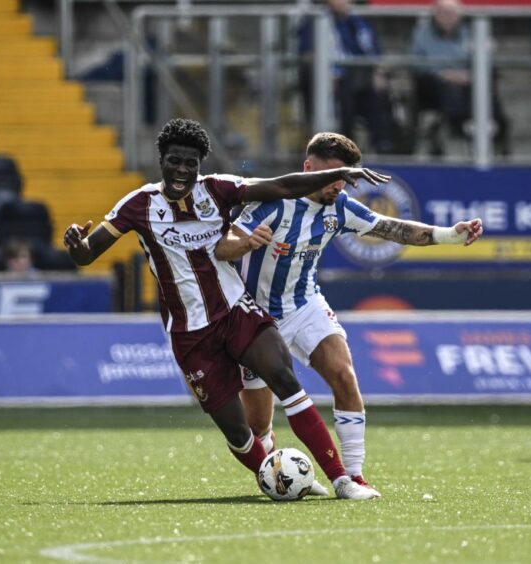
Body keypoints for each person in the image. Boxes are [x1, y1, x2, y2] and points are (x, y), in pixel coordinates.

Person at [63, 118, 390, 499]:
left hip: (237, 311)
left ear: (200, 164)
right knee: (239, 432)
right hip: (190, 332)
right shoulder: (137, 205)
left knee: (285, 380)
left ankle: (341, 479)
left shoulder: (217, 190)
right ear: (161, 161)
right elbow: (89, 253)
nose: (182, 170)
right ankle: (281, 477)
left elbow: (282, 186)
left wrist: (338, 173)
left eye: (190, 163)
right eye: (174, 161)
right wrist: (76, 247)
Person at [214, 131, 483, 493]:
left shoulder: (339, 207)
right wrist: (245, 242)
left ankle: (352, 477)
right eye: (332, 175)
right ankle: (282, 472)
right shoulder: (273, 202)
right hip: (257, 317)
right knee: (258, 422)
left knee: (344, 374)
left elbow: (394, 229)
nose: (339, 185)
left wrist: (451, 235)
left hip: (305, 304)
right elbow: (221, 246)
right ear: (308, 168)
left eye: (345, 177)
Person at [409, 0, 511, 156]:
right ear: (435, 15)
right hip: (434, 83)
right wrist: (443, 74)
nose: (447, 17)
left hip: (466, 80)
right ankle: (458, 126)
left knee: (483, 84)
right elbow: (416, 64)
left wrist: (470, 75)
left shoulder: (469, 34)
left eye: (451, 12)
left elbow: (483, 60)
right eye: (442, 12)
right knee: (450, 88)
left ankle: (495, 125)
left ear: (460, 15)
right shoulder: (422, 35)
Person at [297, 0, 398, 154]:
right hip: (334, 80)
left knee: (380, 94)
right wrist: (328, 74)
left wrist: (378, 71)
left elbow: (375, 53)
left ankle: (385, 147)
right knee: (347, 92)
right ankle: (345, 148)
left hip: (362, 78)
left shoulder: (359, 21)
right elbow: (306, 55)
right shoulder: (315, 21)